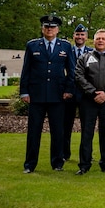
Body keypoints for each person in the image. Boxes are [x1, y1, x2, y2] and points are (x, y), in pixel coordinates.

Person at [20, 14, 76, 173]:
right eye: (46, 27)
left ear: (57, 29)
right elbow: (26, 70)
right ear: (42, 28)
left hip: (58, 95)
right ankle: (30, 164)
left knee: (58, 131)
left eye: (52, 27)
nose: (49, 29)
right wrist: (24, 92)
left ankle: (57, 163)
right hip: (36, 95)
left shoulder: (65, 46)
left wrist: (68, 90)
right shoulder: (32, 45)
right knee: (33, 132)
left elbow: (71, 71)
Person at [75, 28, 105, 174]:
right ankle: (84, 165)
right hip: (88, 101)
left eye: (103, 39)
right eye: (98, 39)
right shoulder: (84, 58)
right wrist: (92, 92)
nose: (101, 41)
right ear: (94, 40)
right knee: (86, 133)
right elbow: (78, 76)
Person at [63, 23, 93, 161]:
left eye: (82, 35)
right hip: (69, 93)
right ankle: (64, 154)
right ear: (73, 36)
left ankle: (86, 155)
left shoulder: (92, 52)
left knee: (87, 126)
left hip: (86, 94)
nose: (80, 37)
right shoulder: (66, 50)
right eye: (77, 34)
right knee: (66, 125)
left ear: (86, 37)